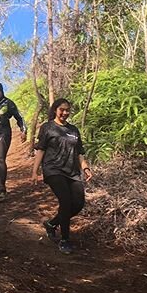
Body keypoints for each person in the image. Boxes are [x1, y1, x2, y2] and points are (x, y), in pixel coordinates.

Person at [31, 98, 92, 254]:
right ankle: (64, 240)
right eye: (61, 109)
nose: (65, 113)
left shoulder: (73, 130)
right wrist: (35, 171)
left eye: (67, 110)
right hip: (53, 170)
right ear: (55, 110)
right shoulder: (47, 127)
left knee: (78, 203)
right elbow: (41, 150)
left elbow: (79, 152)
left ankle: (52, 224)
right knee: (65, 201)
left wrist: (85, 168)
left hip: (72, 172)